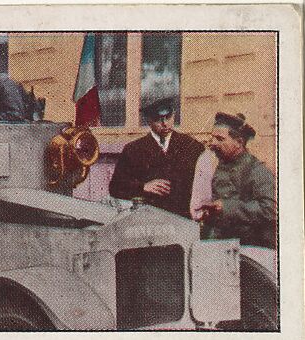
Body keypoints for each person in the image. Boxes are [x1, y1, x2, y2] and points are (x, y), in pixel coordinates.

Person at [109, 97, 205, 218]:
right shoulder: (133, 149)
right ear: (148, 121)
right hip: (149, 219)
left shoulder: (192, 146)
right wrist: (142, 187)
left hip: (184, 218)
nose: (164, 124)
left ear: (174, 115)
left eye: (168, 118)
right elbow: (115, 187)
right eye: (158, 120)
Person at [199, 112, 276, 249]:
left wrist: (226, 207)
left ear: (239, 142)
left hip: (249, 250)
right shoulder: (221, 165)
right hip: (222, 246)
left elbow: (270, 209)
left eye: (220, 139)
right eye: (212, 138)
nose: (213, 143)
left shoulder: (257, 171)